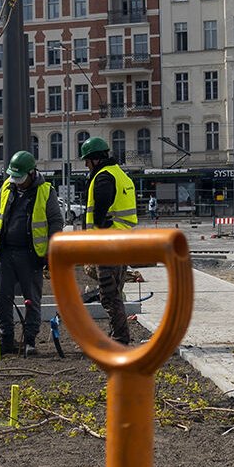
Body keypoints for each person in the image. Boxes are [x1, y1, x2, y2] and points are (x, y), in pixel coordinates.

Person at [0, 152, 63, 355]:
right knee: (1, 296)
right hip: (6, 252)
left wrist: (52, 251)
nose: (17, 182)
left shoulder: (46, 191)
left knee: (32, 299)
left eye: (20, 178)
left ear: (31, 173)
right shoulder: (8, 186)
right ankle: (7, 338)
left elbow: (55, 221)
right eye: (14, 177)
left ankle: (29, 341)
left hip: (31, 254)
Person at [79, 136, 137, 345]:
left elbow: (101, 208)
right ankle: (117, 334)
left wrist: (98, 226)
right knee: (115, 291)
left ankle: (120, 337)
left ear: (95, 159)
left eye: (87, 160)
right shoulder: (121, 175)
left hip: (107, 244)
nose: (86, 164)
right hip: (121, 242)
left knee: (109, 295)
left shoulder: (103, 177)